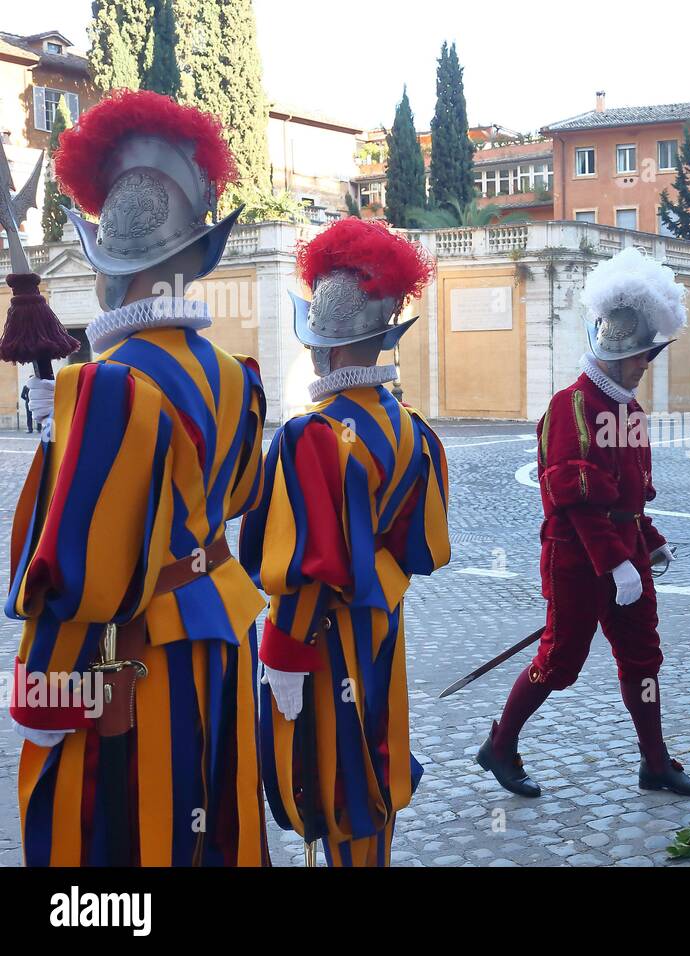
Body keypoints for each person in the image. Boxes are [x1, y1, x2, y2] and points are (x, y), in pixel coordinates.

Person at [6, 89, 269, 866]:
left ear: (105, 267)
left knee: (124, 844)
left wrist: (45, 693)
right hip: (222, 635)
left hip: (133, 656)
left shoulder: (107, 384)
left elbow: (78, 572)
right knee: (211, 822)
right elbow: (243, 498)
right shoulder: (237, 378)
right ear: (196, 258)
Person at [239, 217, 450, 867]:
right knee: (373, 773)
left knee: (330, 783)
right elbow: (425, 548)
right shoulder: (416, 431)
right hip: (384, 630)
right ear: (384, 336)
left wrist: (281, 652)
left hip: (323, 643)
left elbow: (304, 566)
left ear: (320, 346)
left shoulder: (311, 435)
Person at [476, 248, 690, 798]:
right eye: (640, 356)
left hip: (623, 553)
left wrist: (646, 540)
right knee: (560, 661)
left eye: (649, 355)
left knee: (642, 656)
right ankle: (500, 744)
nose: (645, 364)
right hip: (577, 558)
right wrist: (616, 563)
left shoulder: (628, 409)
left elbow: (629, 496)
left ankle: (655, 762)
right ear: (613, 351)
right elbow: (573, 496)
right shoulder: (571, 406)